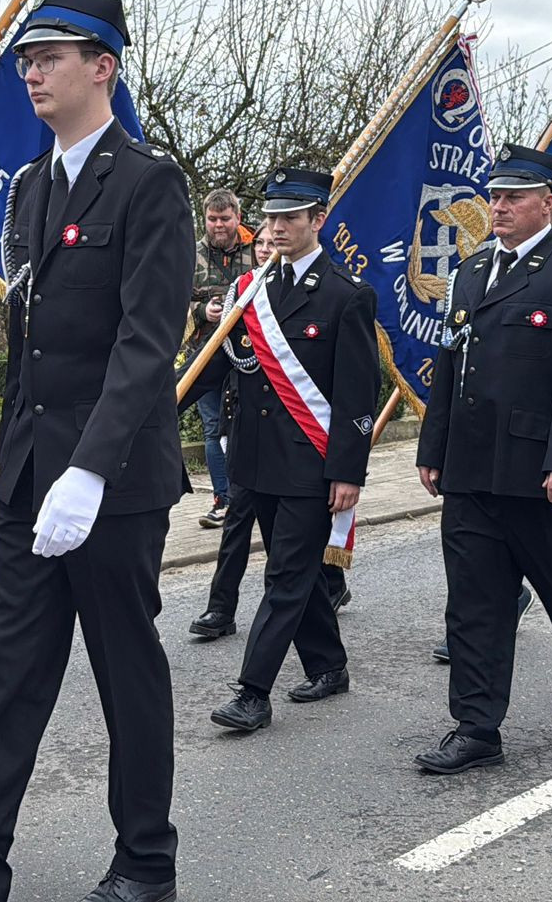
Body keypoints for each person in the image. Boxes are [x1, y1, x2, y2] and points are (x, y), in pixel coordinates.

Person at [0, 0, 192, 902]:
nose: (32, 74)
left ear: (103, 68)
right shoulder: (32, 185)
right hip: (31, 480)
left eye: (50, 59)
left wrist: (89, 470)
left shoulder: (150, 183)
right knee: (9, 680)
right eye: (27, 61)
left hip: (109, 485)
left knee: (126, 674)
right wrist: (20, 464)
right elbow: (27, 347)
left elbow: (146, 343)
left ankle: (146, 862)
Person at [412, 145, 552, 775]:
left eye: (513, 197)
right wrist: (433, 447)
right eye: (495, 197)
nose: (499, 207)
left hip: (543, 474)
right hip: (472, 470)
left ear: (546, 204)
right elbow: (452, 364)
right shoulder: (473, 272)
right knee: (474, 603)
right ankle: (476, 727)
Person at [204, 167, 376, 733]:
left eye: (289, 217)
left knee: (284, 576)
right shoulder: (253, 289)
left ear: (318, 219)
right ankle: (328, 664)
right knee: (299, 575)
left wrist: (348, 472)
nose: (275, 228)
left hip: (309, 462)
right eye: (271, 217)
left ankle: (253, 693)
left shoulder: (347, 295)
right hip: (254, 460)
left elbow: (357, 395)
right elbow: (223, 366)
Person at [187, 229, 354, 643]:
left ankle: (258, 684)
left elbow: (350, 393)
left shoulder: (334, 294)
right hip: (247, 441)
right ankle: (223, 608)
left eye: (281, 227)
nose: (269, 244)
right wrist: (152, 408)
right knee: (241, 529)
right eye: (262, 240)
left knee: (289, 563)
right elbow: (210, 367)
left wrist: (349, 468)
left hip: (299, 449)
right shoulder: (247, 295)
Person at [186, 188, 255, 529]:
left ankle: (253, 496)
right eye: (212, 219)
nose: (218, 225)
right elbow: (172, 299)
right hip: (205, 355)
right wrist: (202, 311)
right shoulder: (190, 255)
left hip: (249, 356)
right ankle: (223, 499)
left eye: (225, 219)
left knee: (251, 424)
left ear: (237, 218)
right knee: (213, 428)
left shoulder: (258, 248)